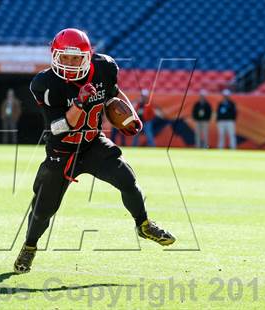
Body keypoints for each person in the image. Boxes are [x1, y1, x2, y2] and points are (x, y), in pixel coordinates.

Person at [13, 28, 175, 274]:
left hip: (92, 142)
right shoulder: (45, 84)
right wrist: (79, 103)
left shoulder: (105, 67)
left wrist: (130, 116)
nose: (69, 63)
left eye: (75, 58)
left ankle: (143, 224)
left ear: (88, 56)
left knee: (127, 179)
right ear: (54, 56)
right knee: (43, 210)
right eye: (64, 57)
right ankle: (29, 247)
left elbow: (113, 95)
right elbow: (56, 127)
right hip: (63, 149)